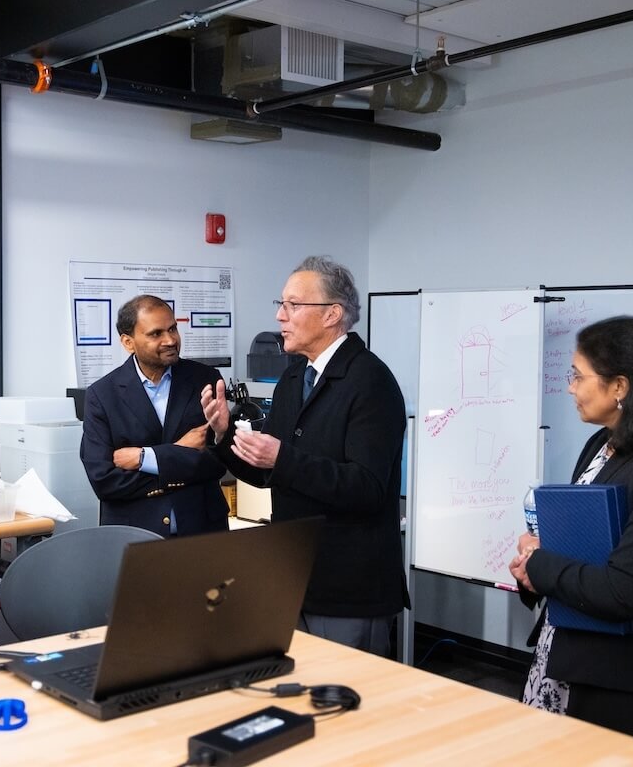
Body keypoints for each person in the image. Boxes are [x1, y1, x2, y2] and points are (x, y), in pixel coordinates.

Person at [509, 315, 633, 759]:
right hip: (570, 658)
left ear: (619, 386)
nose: (570, 388)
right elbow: (581, 548)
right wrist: (533, 566)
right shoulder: (602, 444)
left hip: (631, 681)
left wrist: (541, 564)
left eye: (578, 376)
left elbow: (625, 590)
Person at [201, 256, 408, 656]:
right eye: (281, 304)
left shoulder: (370, 381)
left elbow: (366, 488)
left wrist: (282, 458)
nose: (280, 316)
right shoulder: (294, 377)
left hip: (348, 586)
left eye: (293, 305)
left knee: (350, 692)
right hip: (293, 577)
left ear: (332, 314)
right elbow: (268, 474)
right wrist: (224, 435)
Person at [80, 294, 229, 536]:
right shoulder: (102, 395)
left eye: (172, 329)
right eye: (156, 334)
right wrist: (180, 454)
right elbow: (104, 481)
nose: (170, 340)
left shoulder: (205, 379)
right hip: (134, 534)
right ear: (128, 342)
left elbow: (216, 462)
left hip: (201, 531)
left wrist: (145, 458)